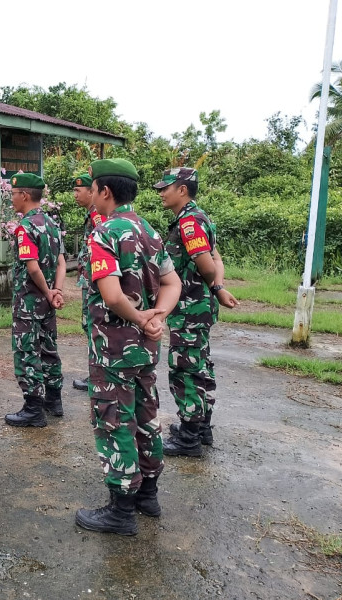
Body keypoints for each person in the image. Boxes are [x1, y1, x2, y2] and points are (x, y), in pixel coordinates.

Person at [74, 158, 181, 536]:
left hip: (113, 348)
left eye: (94, 189)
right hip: (145, 349)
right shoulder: (150, 231)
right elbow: (172, 283)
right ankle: (148, 495)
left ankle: (121, 510)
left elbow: (112, 295)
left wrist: (140, 318)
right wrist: (158, 318)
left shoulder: (105, 233)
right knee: (146, 415)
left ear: (104, 191)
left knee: (114, 419)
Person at [153, 167, 238, 457]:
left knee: (186, 369)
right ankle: (201, 428)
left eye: (167, 187)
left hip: (190, 308)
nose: (161, 192)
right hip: (197, 307)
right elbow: (217, 258)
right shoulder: (197, 217)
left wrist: (215, 286)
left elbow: (207, 262)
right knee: (200, 365)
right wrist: (219, 287)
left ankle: (189, 437)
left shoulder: (189, 222)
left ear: (183, 189)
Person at [4, 172, 66, 426]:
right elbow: (61, 262)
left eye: (14, 195)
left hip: (29, 302)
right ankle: (54, 400)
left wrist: (46, 290)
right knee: (48, 348)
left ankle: (33, 409)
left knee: (27, 351)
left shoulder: (26, 227)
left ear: (25, 195)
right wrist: (56, 291)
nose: (11, 200)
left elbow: (32, 267)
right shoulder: (51, 224)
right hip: (47, 303)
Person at [70, 173, 106, 393]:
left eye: (78, 190)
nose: (75, 195)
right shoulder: (92, 215)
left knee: (93, 324)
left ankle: (99, 375)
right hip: (90, 278)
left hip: (95, 280)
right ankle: (97, 373)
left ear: (92, 192)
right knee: (89, 324)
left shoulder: (98, 218)